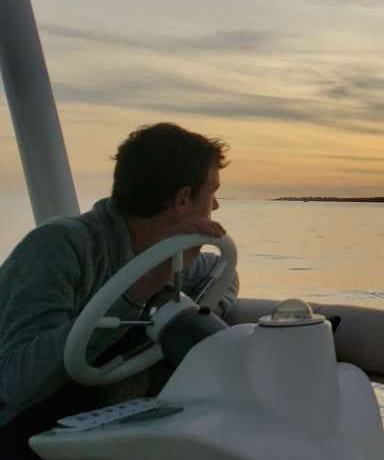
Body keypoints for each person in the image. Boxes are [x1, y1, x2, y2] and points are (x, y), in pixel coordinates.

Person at [0, 123, 239, 457]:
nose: (216, 206)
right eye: (212, 192)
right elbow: (16, 384)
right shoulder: (57, 248)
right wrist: (138, 291)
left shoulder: (174, 254)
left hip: (100, 420)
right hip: (23, 431)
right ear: (184, 198)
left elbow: (223, 272)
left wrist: (203, 310)